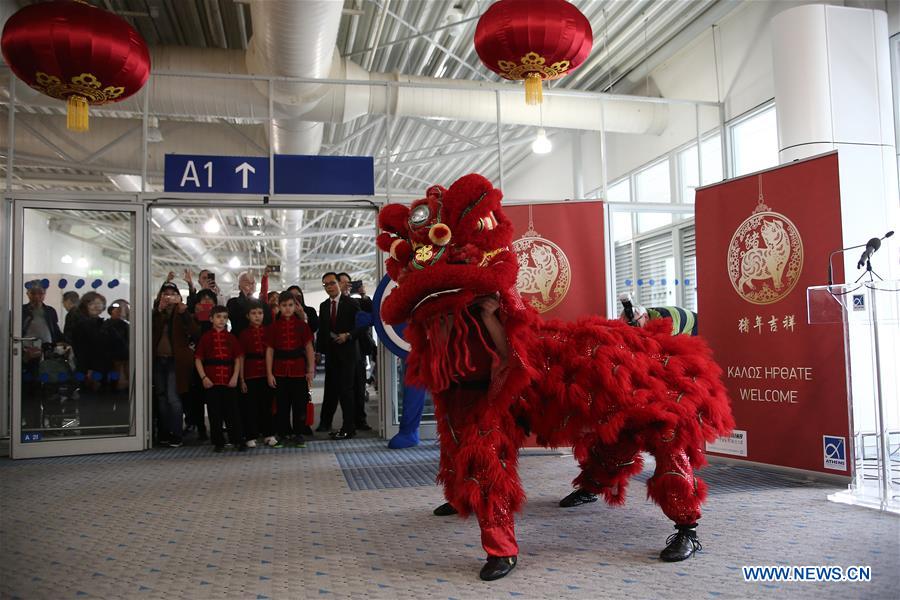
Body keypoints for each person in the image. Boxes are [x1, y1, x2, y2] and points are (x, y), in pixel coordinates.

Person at [152, 281, 198, 447]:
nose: (168, 297)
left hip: (175, 362)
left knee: (173, 397)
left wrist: (184, 312)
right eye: (165, 294)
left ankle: (176, 434)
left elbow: (195, 332)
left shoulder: (181, 312)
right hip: (158, 360)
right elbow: (148, 330)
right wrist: (158, 310)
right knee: (161, 398)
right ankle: (164, 432)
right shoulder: (156, 312)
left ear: (178, 297)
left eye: (172, 294)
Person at [266, 291, 315, 447]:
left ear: (295, 306)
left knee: (299, 404)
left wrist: (310, 370)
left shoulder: (302, 326)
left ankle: (298, 434)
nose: (287, 308)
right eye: (284, 305)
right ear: (279, 307)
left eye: (290, 305)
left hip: (299, 370)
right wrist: (269, 373)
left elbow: (309, 349)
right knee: (281, 405)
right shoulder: (273, 327)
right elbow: (270, 351)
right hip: (279, 370)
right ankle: (282, 433)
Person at [315, 272, 360, 439]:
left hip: (348, 353)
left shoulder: (351, 303)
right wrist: (318, 351)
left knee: (346, 391)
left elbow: (361, 326)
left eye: (332, 283)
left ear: (339, 284)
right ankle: (328, 423)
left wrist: (348, 335)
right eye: (326, 284)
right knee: (332, 390)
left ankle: (349, 427)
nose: (329, 287)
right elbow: (322, 331)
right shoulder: (324, 306)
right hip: (332, 355)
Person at [194, 305, 245, 452]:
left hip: (229, 380)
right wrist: (203, 377)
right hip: (211, 381)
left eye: (224, 317)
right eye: (218, 317)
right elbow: (198, 359)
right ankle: (218, 442)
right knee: (214, 413)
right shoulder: (205, 337)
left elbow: (237, 359)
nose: (221, 320)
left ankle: (236, 439)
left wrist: (235, 377)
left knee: (232, 412)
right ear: (211, 319)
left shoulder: (231, 338)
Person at [238, 301, 277, 448]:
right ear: (248, 316)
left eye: (260, 313)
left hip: (267, 373)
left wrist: (272, 373)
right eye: (253, 313)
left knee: (267, 405)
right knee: (250, 407)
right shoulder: (243, 334)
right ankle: (251, 435)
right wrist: (242, 379)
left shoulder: (269, 331)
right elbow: (241, 357)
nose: (257, 316)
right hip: (250, 373)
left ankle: (269, 434)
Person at [338, 272, 370, 431]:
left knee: (360, 386)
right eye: (343, 282)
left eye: (349, 283)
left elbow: (370, 313)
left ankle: (361, 419)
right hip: (344, 351)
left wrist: (363, 294)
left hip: (360, 349)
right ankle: (349, 422)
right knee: (347, 388)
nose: (347, 285)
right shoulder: (335, 304)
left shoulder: (356, 301)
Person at [227, 271, 272, 336]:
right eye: (246, 282)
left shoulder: (262, 304)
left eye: (253, 282)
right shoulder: (233, 303)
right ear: (239, 286)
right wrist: (244, 294)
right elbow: (236, 319)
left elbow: (267, 322)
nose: (250, 284)